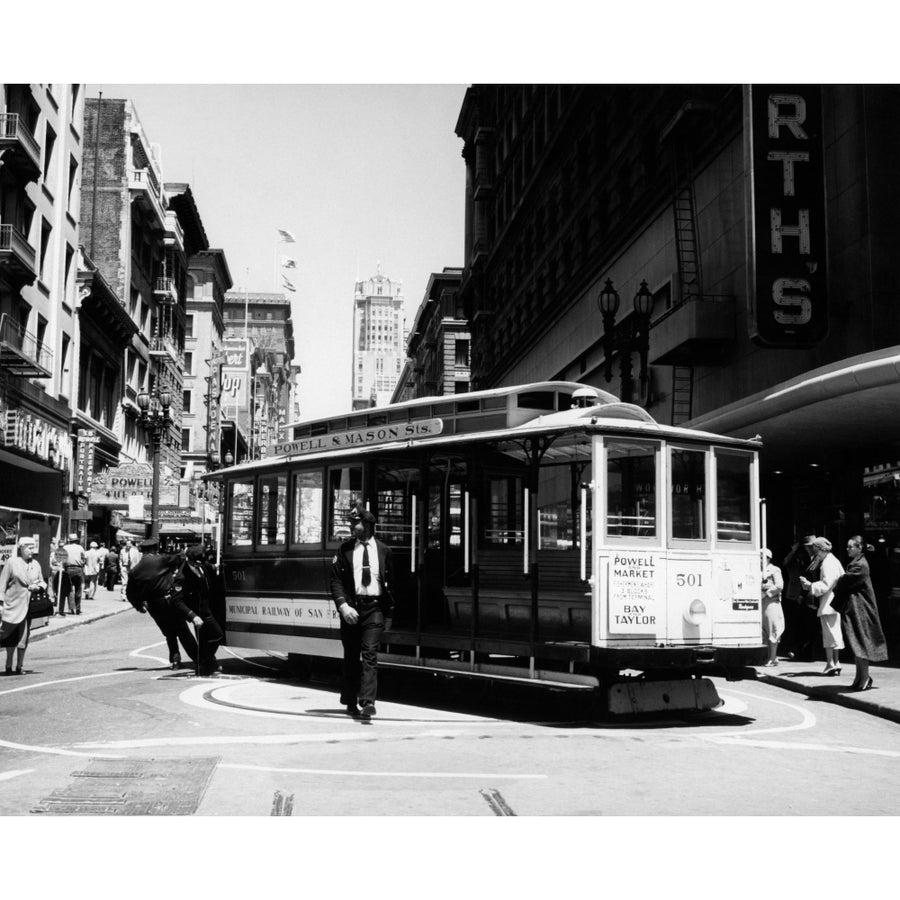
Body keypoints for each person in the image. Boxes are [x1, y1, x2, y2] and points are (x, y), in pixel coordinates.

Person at [329, 503, 394, 719]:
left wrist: (389, 614)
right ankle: (350, 700)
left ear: (367, 524)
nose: (351, 525)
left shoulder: (385, 551)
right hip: (352, 609)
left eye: (355, 522)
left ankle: (367, 702)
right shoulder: (345, 549)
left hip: (374, 609)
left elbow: (391, 583)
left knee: (370, 653)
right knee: (351, 656)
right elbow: (335, 580)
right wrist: (343, 606)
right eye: (351, 522)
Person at [830, 536, 889, 691]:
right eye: (848, 547)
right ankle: (860, 677)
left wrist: (839, 580)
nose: (847, 549)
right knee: (856, 644)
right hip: (855, 610)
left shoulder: (861, 565)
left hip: (862, 611)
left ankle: (864, 677)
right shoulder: (856, 564)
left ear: (859, 548)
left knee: (861, 644)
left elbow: (844, 582)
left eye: (850, 547)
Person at [125, 538, 190, 668]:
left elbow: (130, 593)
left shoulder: (135, 570)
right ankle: (200, 661)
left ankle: (175, 660)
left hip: (153, 605)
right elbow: (182, 557)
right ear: (155, 549)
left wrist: (139, 606)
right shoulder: (162, 559)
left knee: (169, 633)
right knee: (183, 631)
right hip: (170, 600)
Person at [170, 545, 224, 675]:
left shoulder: (201, 565)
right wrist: (192, 616)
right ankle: (205, 662)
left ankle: (204, 666)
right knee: (217, 634)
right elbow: (176, 600)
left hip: (207, 608)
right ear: (189, 560)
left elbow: (210, 571)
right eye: (195, 563)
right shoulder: (182, 576)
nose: (198, 565)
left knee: (205, 641)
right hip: (198, 613)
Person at [0, 537, 47, 675]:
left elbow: (43, 582)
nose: (32, 550)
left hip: (27, 606)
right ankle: (8, 664)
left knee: (24, 637)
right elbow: (2, 584)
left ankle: (19, 665)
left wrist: (37, 586)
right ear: (21, 548)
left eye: (33, 547)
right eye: (29, 548)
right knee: (8, 635)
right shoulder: (12, 562)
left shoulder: (36, 564)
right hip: (11, 605)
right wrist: (0, 605)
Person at [800, 536, 845, 675]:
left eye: (815, 549)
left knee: (829, 635)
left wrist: (810, 586)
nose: (814, 552)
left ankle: (830, 663)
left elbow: (826, 584)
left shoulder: (827, 563)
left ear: (820, 549)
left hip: (828, 603)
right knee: (835, 634)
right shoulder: (834, 561)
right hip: (835, 603)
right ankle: (836, 662)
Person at [782, 532, 818, 660]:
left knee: (807, 625)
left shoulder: (814, 557)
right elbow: (785, 563)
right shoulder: (798, 557)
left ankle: (807, 651)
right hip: (797, 595)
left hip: (808, 594)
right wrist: (794, 551)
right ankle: (798, 650)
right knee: (796, 624)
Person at [761, 548, 785, 666]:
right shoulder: (757, 570)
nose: (760, 559)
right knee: (764, 631)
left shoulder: (775, 570)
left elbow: (780, 585)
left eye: (762, 557)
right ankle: (768, 657)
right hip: (761, 603)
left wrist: (767, 592)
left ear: (768, 558)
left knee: (773, 630)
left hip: (771, 603)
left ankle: (773, 657)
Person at [60, 532, 87, 616]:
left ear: (69, 540)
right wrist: (81, 564)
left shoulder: (65, 547)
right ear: (76, 540)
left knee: (69, 590)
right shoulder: (80, 548)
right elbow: (84, 559)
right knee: (78, 589)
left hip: (68, 569)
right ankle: (78, 609)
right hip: (78, 569)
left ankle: (72, 608)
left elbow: (62, 560)